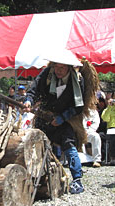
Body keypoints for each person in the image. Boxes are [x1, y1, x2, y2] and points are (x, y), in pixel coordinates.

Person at [23, 48, 85, 194]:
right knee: (38, 144)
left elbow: (79, 106)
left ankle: (77, 179)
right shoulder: (47, 74)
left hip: (65, 119)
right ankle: (37, 176)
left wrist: (62, 117)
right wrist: (28, 100)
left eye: (62, 67)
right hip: (44, 117)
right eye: (56, 66)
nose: (58, 70)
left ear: (69, 67)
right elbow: (33, 89)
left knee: (69, 144)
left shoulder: (77, 80)